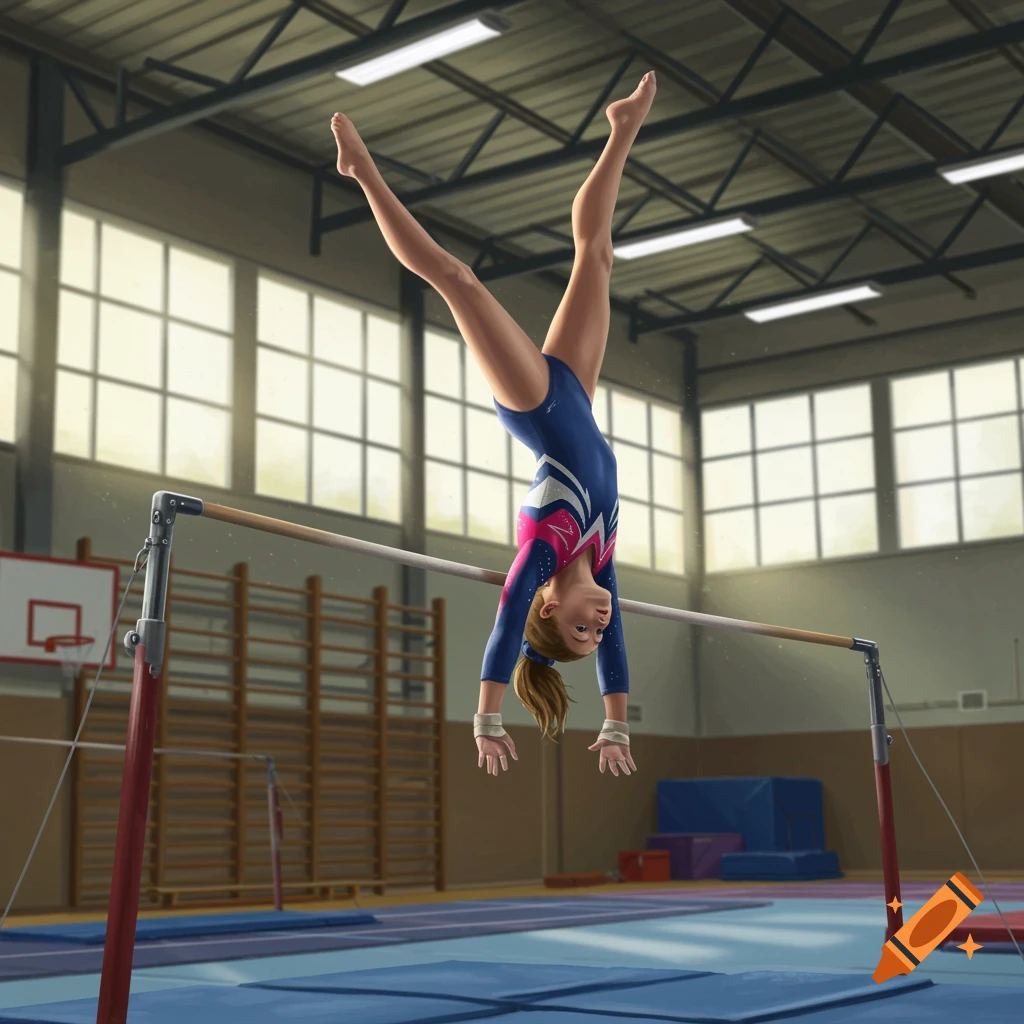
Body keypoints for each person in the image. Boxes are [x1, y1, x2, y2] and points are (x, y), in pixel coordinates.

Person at [330, 71, 656, 780]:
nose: (599, 622)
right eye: (595, 630)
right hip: (577, 396)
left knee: (459, 279)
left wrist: (486, 716)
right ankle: (622, 130)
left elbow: (508, 627)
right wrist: (616, 725)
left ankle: (361, 174)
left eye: (580, 625)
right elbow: (619, 648)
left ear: (551, 599)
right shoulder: (598, 570)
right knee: (596, 255)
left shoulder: (541, 558)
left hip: (538, 408)